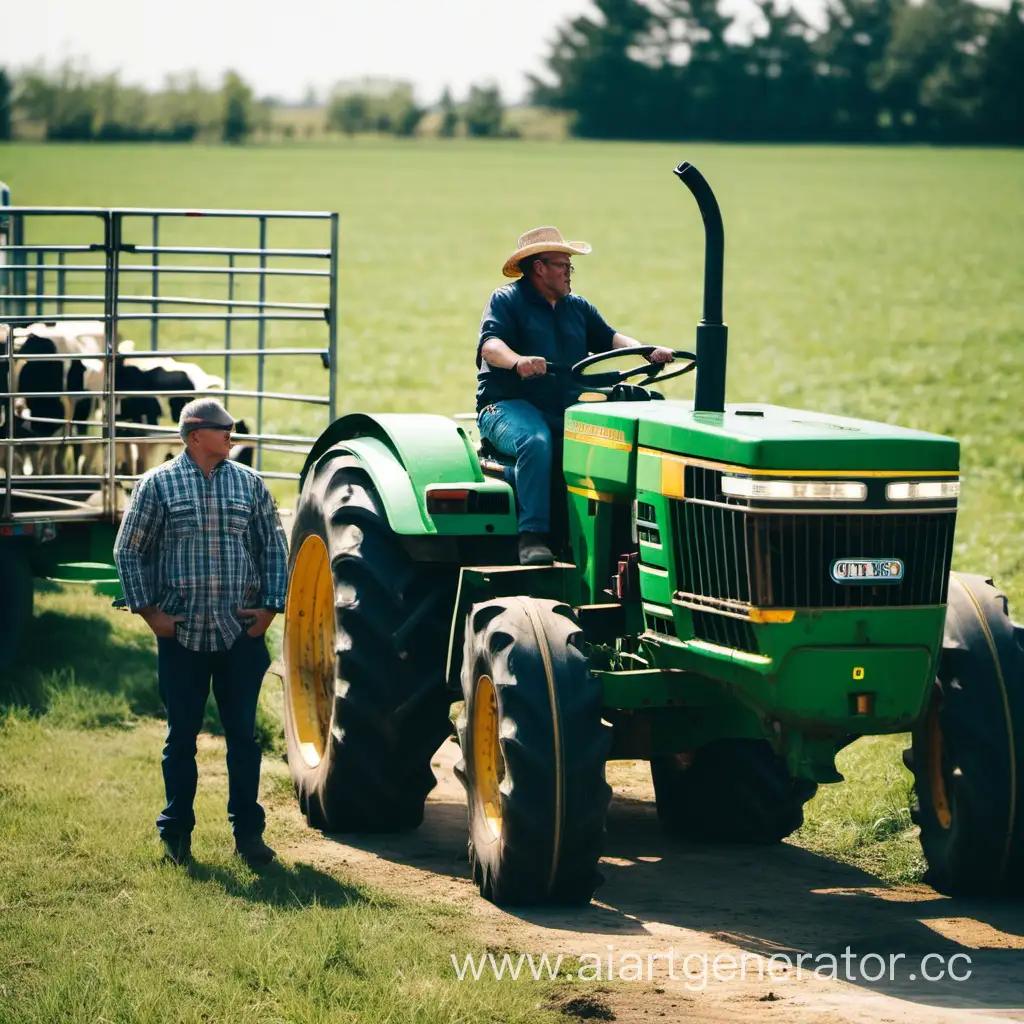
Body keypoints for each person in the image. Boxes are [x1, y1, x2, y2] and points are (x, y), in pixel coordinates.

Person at [113, 397, 288, 868]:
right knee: (180, 739)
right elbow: (128, 551)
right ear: (195, 435)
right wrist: (152, 615)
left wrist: (270, 611)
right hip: (182, 638)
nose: (232, 434)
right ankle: (176, 836)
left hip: (239, 637)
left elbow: (274, 549)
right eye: (224, 428)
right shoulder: (157, 486)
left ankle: (249, 836)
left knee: (244, 740)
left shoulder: (250, 484)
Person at [477, 226, 674, 566]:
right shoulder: (507, 299)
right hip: (507, 407)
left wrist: (646, 350)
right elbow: (490, 346)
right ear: (539, 267)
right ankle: (533, 536)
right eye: (563, 265)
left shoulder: (577, 308)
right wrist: (518, 362)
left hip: (562, 406)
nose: (570, 272)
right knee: (535, 441)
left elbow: (610, 338)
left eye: (570, 266)